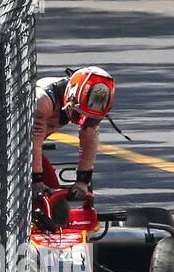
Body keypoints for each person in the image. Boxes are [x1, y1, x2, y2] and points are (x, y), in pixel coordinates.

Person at [32, 66, 116, 204]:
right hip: (9, 150)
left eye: (92, 119)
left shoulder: (81, 106)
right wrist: (37, 180)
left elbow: (89, 139)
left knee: (55, 200)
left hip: (28, 152)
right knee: (45, 197)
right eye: (79, 115)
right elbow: (33, 141)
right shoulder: (42, 101)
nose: (84, 121)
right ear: (70, 96)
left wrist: (82, 181)